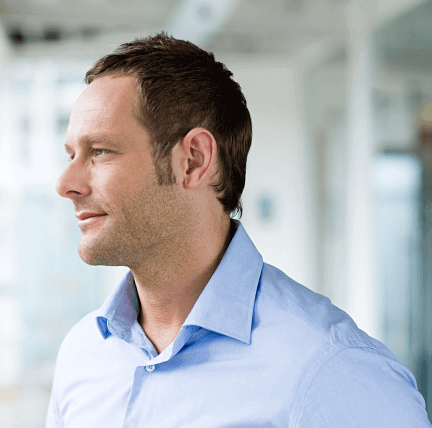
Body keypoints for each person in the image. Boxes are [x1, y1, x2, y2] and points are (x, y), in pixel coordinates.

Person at [46, 33, 431, 427]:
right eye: (71, 155)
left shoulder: (334, 372)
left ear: (193, 161)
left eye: (100, 152)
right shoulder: (82, 355)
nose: (65, 184)